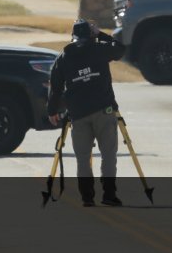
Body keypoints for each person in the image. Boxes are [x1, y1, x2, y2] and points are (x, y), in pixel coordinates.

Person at [47, 19, 126, 207]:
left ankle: (87, 197)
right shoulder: (99, 49)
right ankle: (108, 195)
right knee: (108, 155)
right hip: (104, 111)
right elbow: (120, 48)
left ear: (73, 36)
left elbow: (55, 87)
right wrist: (100, 34)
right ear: (91, 35)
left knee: (82, 159)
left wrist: (52, 111)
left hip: (78, 115)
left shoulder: (64, 57)